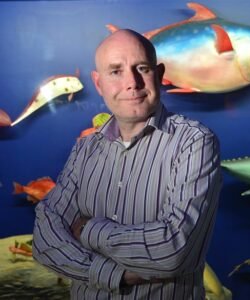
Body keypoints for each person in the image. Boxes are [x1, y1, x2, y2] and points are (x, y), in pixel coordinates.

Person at [32, 29, 222, 300]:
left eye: (141, 68)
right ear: (99, 84)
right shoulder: (85, 149)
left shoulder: (194, 142)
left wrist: (88, 230)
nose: (131, 82)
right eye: (115, 71)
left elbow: (175, 249)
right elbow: (44, 240)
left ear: (159, 74)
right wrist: (116, 274)